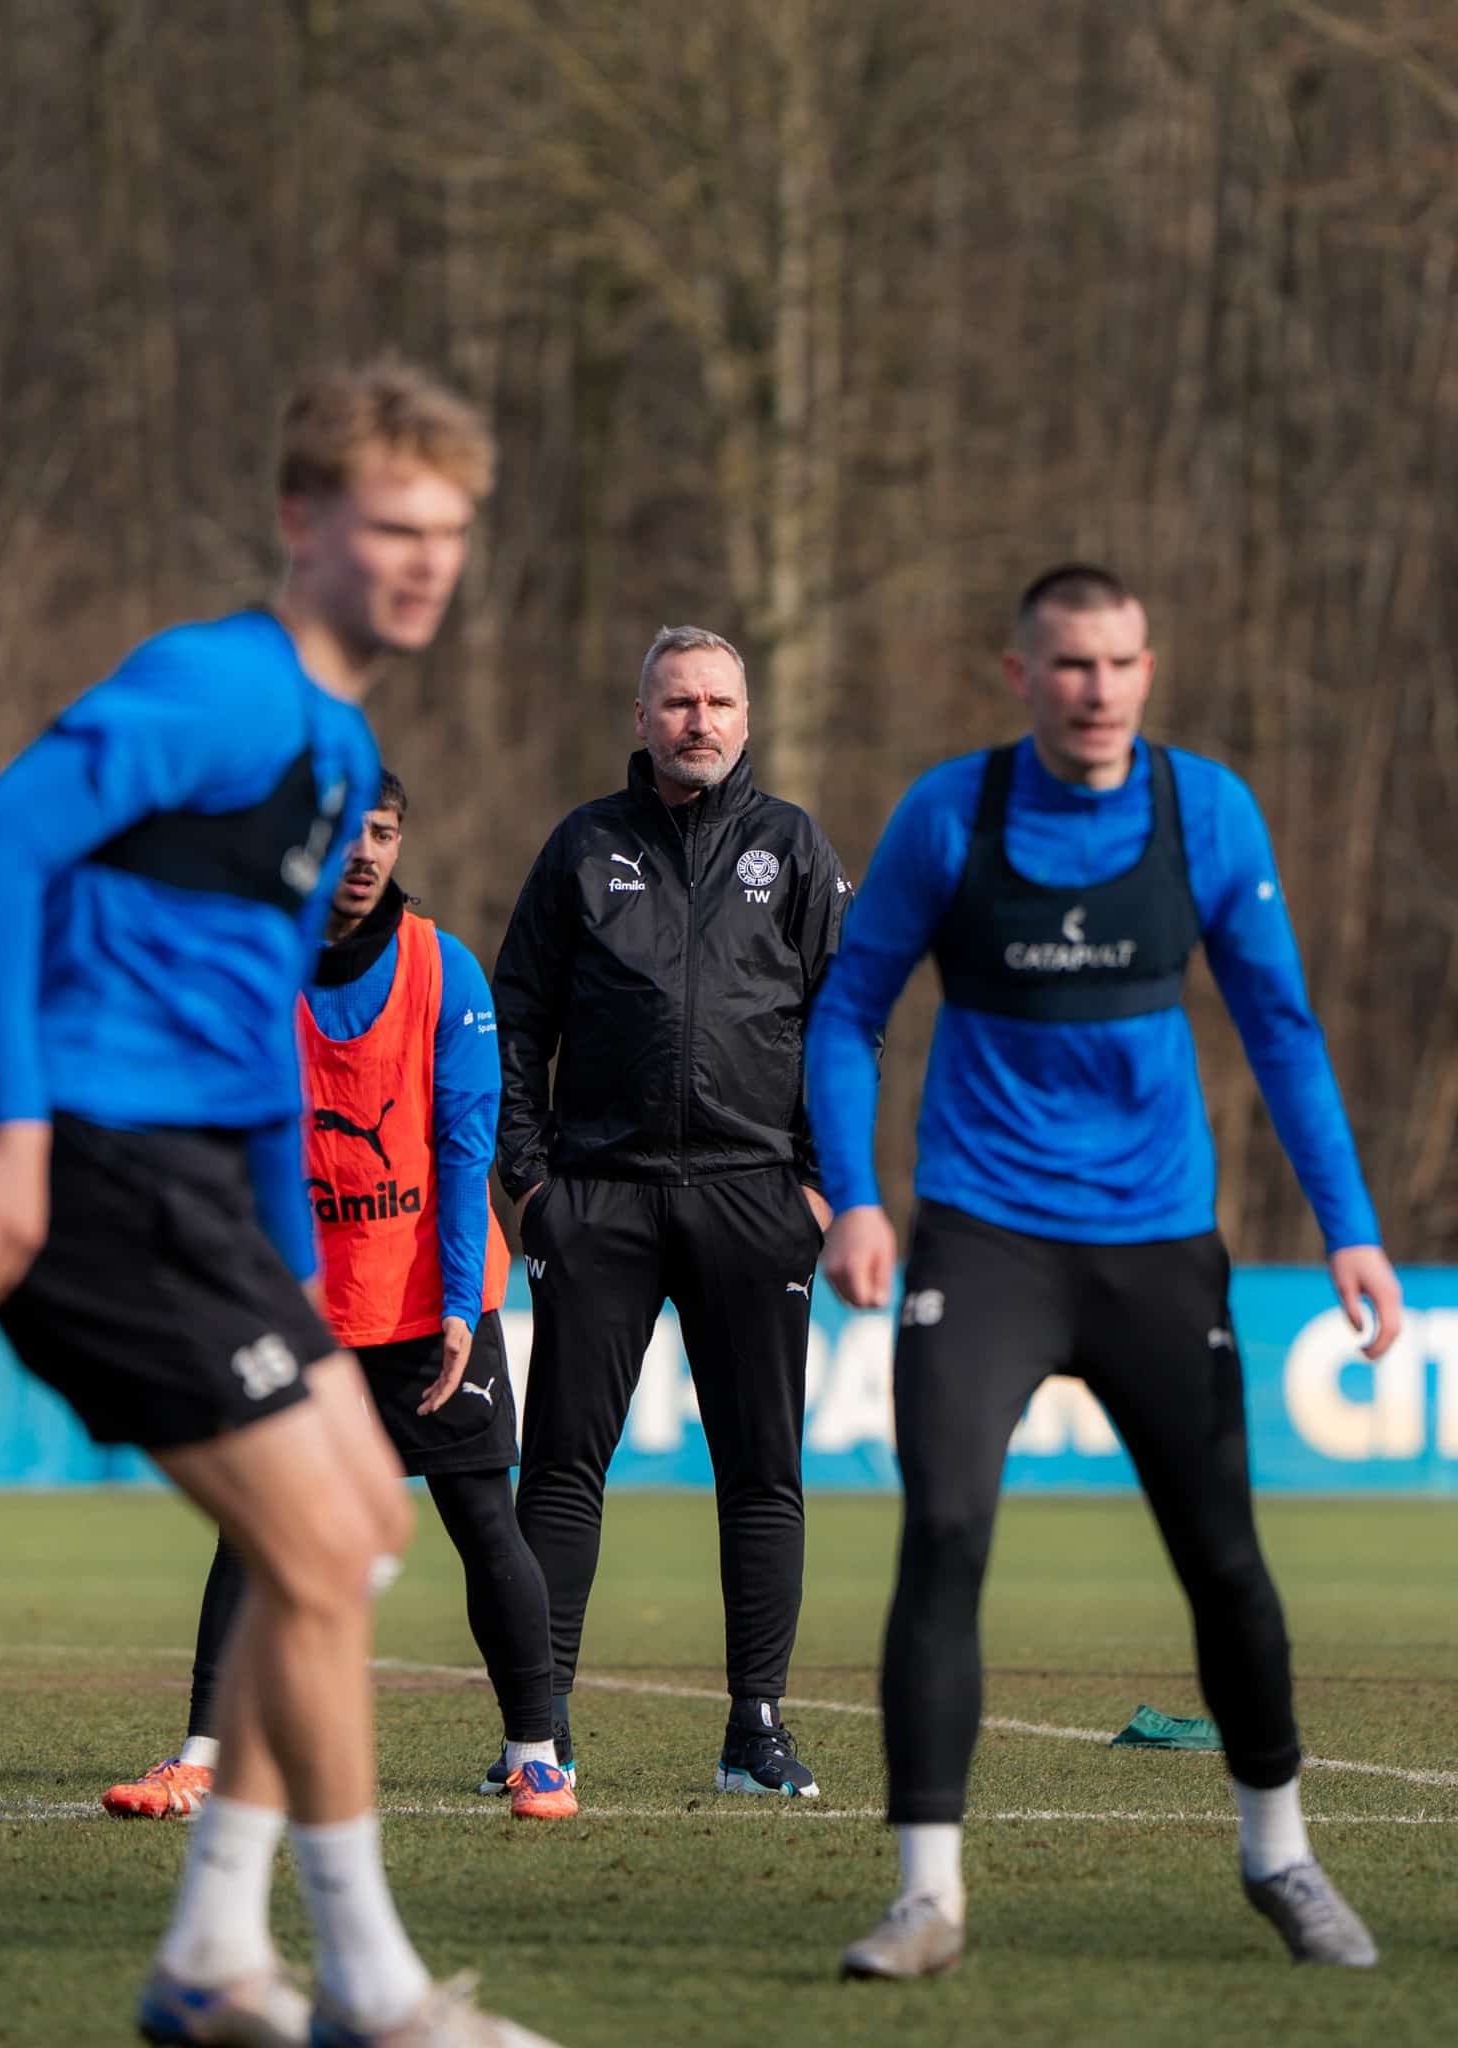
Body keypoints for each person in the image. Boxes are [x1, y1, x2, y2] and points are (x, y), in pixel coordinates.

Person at [0, 359, 561, 2048]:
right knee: (315, 1543)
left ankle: (217, 1946)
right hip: (95, 1167)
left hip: (211, 1193)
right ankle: (369, 1984)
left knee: (352, 1534)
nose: (423, 559)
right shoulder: (217, 687)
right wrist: (11, 1125)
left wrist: (291, 1266)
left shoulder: (344, 744)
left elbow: (265, 1041)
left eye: (447, 530)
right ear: (304, 523)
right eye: (389, 525)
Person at [805, 564, 1402, 1978]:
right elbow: (848, 1012)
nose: (1100, 690)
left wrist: (1351, 1224)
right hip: (984, 1237)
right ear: (1021, 674)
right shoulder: (951, 814)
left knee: (1226, 1562)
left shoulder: (1210, 814)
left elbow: (1283, 1028)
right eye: (1071, 665)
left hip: (1156, 1250)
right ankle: (926, 1898)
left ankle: (1282, 1858)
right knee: (944, 1536)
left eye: (1122, 663)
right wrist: (857, 1199)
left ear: (1150, 668)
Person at [100, 771, 576, 1830]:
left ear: (401, 843)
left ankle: (536, 1752)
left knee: (480, 1517)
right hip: (296, 1301)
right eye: (347, 831)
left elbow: (464, 1148)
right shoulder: (252, 962)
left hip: (423, 1301)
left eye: (385, 831)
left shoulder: (441, 967)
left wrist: (462, 1304)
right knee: (252, 1526)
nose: (365, 851)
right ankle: (204, 1753)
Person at [488, 625, 850, 1800]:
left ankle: (756, 1729)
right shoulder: (584, 845)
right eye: (678, 701)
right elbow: (515, 1018)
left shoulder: (793, 847)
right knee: (560, 1468)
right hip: (601, 1196)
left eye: (719, 701)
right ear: (640, 718)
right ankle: (536, 1735)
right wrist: (534, 1183)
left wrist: (816, 1186)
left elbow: (846, 1030)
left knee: (762, 1471)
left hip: (757, 1199)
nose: (699, 719)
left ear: (748, 719)